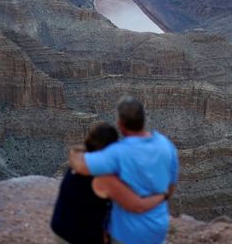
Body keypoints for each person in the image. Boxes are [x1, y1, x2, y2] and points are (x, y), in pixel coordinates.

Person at [69, 96, 179, 244]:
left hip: (127, 234)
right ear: (143, 119)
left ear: (120, 124)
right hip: (157, 228)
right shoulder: (166, 145)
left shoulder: (117, 153)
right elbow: (170, 188)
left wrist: (74, 152)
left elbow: (80, 166)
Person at [51, 122, 167, 244]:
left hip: (60, 230)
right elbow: (138, 205)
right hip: (78, 237)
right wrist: (163, 195)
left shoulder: (79, 159)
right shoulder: (103, 178)